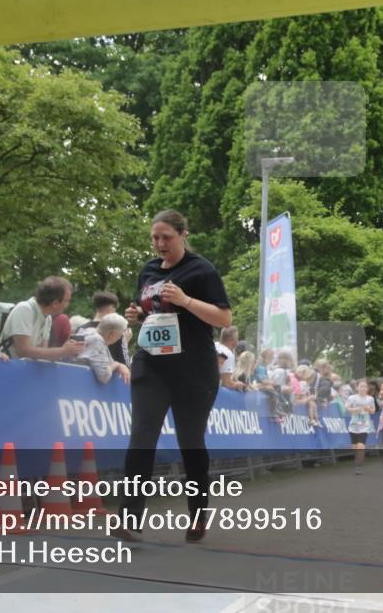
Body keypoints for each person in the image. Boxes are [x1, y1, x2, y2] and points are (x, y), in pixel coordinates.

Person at [120, 210, 232, 543]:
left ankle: (198, 514)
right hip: (152, 365)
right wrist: (136, 315)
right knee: (142, 437)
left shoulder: (202, 270)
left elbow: (224, 318)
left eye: (166, 237)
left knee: (190, 443)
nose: (160, 244)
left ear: (183, 235)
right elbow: (150, 312)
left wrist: (186, 300)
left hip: (193, 371)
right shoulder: (148, 270)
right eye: (155, 237)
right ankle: (130, 518)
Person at [0, 276, 84, 361]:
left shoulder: (47, 317)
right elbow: (23, 351)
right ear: (55, 303)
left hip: (25, 367)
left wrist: (67, 350)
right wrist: (63, 351)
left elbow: (43, 354)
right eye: (67, 301)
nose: (68, 305)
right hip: (6, 366)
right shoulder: (25, 309)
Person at [75, 290, 131, 365]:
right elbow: (124, 364)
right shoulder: (117, 331)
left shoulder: (81, 329)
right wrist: (125, 343)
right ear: (111, 307)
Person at [76, 313, 131, 385]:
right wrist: (116, 364)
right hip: (79, 384)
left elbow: (109, 363)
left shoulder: (90, 333)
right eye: (120, 335)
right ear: (113, 334)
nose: (119, 338)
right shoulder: (97, 340)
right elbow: (104, 376)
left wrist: (119, 365)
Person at [345, 379, 376, 474]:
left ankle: (358, 467)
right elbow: (346, 407)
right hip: (354, 425)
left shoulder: (370, 399)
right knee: (355, 447)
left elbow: (373, 411)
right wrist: (354, 410)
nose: (363, 388)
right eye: (361, 386)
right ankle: (358, 460)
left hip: (364, 425)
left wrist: (368, 409)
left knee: (360, 446)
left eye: (365, 386)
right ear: (357, 388)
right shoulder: (352, 398)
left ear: (367, 388)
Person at [215, 326, 244, 390]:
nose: (237, 341)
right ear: (232, 340)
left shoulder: (214, 345)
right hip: (215, 391)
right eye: (237, 338)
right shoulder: (228, 354)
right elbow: (226, 383)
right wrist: (237, 384)